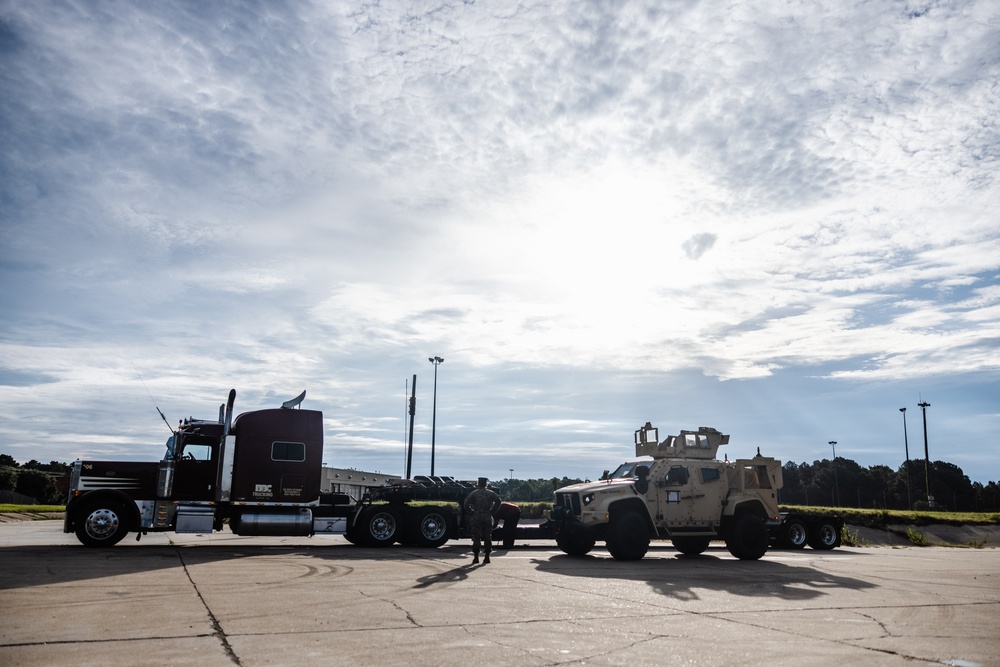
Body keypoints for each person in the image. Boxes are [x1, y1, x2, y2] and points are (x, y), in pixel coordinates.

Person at [464, 477, 501, 564]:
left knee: (476, 537)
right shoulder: (490, 493)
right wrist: (492, 511)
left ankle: (476, 557)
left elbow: (466, 503)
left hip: (476, 517)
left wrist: (471, 512)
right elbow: (498, 501)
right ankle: (487, 557)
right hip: (487, 516)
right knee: (488, 537)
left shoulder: (474, 493)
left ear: (478, 484)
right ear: (485, 484)